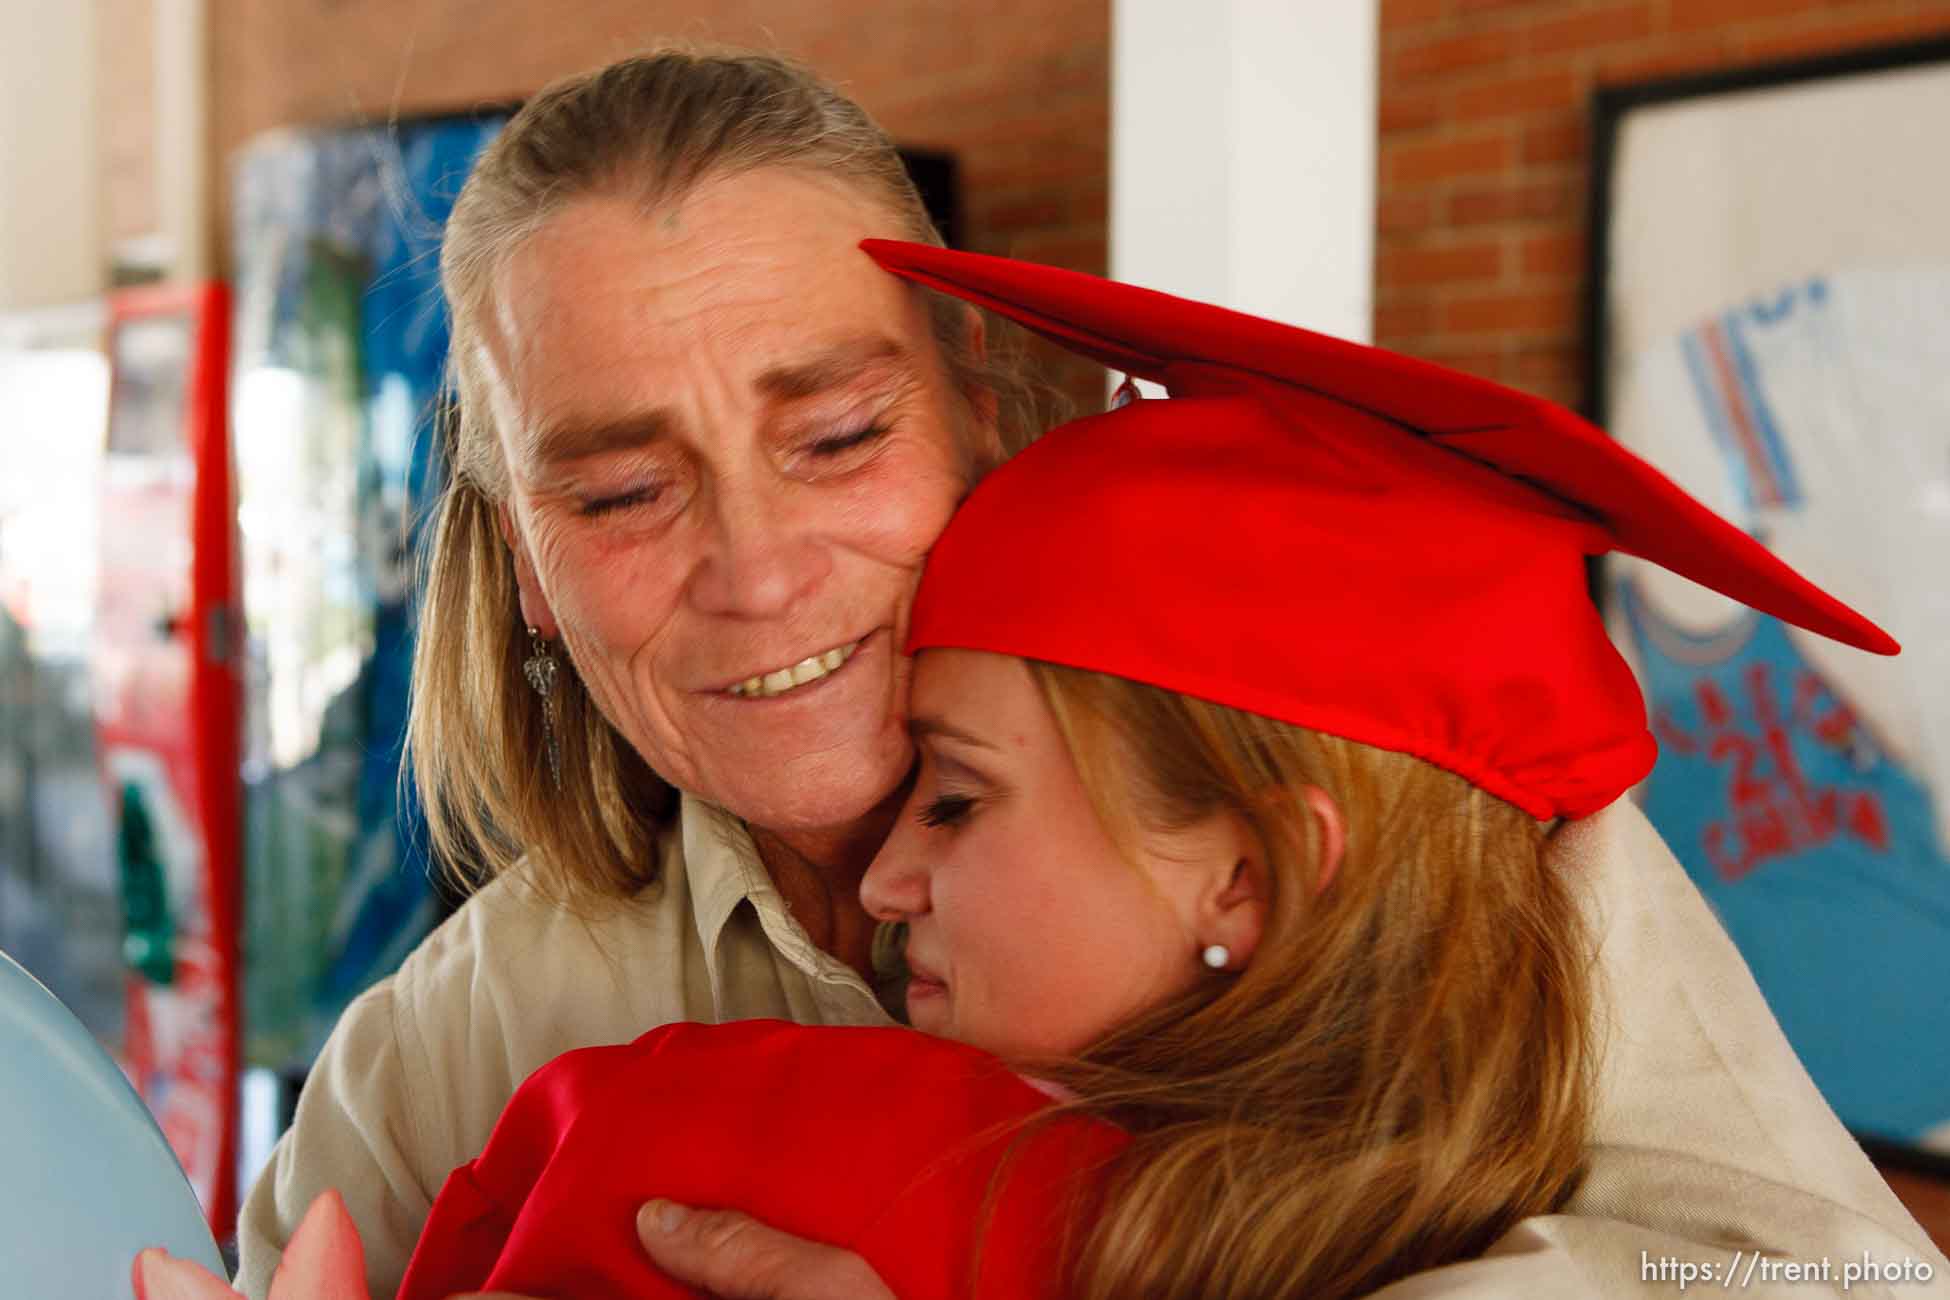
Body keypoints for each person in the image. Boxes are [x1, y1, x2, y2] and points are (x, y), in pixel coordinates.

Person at [213, 242, 1950, 1300]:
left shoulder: (1533, 884)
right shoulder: (482, 1036)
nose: (753, 567)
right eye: (612, 491)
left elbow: (1840, 1273)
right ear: (519, 554)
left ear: (974, 412)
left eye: (833, 436)